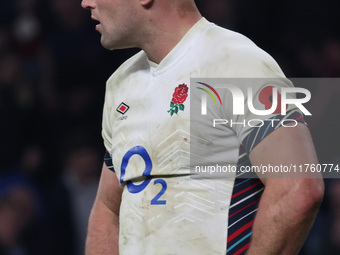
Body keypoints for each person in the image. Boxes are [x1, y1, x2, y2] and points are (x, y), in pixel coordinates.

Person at [80, 0, 324, 254]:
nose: (86, 3)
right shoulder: (120, 83)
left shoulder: (236, 63)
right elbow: (108, 210)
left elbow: (297, 189)